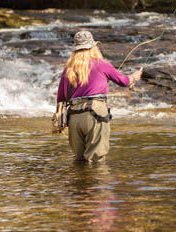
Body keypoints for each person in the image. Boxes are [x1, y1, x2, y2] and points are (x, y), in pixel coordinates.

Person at [57, 30, 142, 162]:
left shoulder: (68, 69)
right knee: (96, 160)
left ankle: (79, 182)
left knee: (79, 160)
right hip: (95, 113)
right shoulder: (102, 64)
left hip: (73, 116)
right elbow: (124, 82)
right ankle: (97, 182)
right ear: (93, 47)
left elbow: (61, 98)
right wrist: (135, 77)